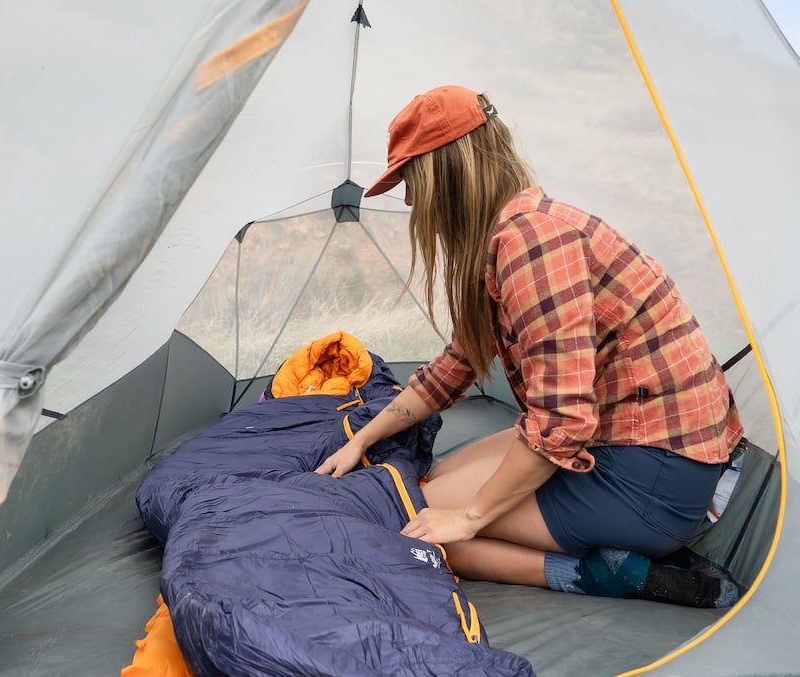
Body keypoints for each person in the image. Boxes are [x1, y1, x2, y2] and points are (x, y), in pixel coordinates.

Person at [316, 85, 744, 607]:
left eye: (412, 181)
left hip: (651, 477)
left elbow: (562, 422)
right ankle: (598, 550)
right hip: (628, 443)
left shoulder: (533, 242)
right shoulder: (514, 233)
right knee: (437, 483)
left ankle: (594, 574)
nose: (410, 201)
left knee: (421, 525)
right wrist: (363, 437)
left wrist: (471, 518)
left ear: (447, 175)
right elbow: (459, 362)